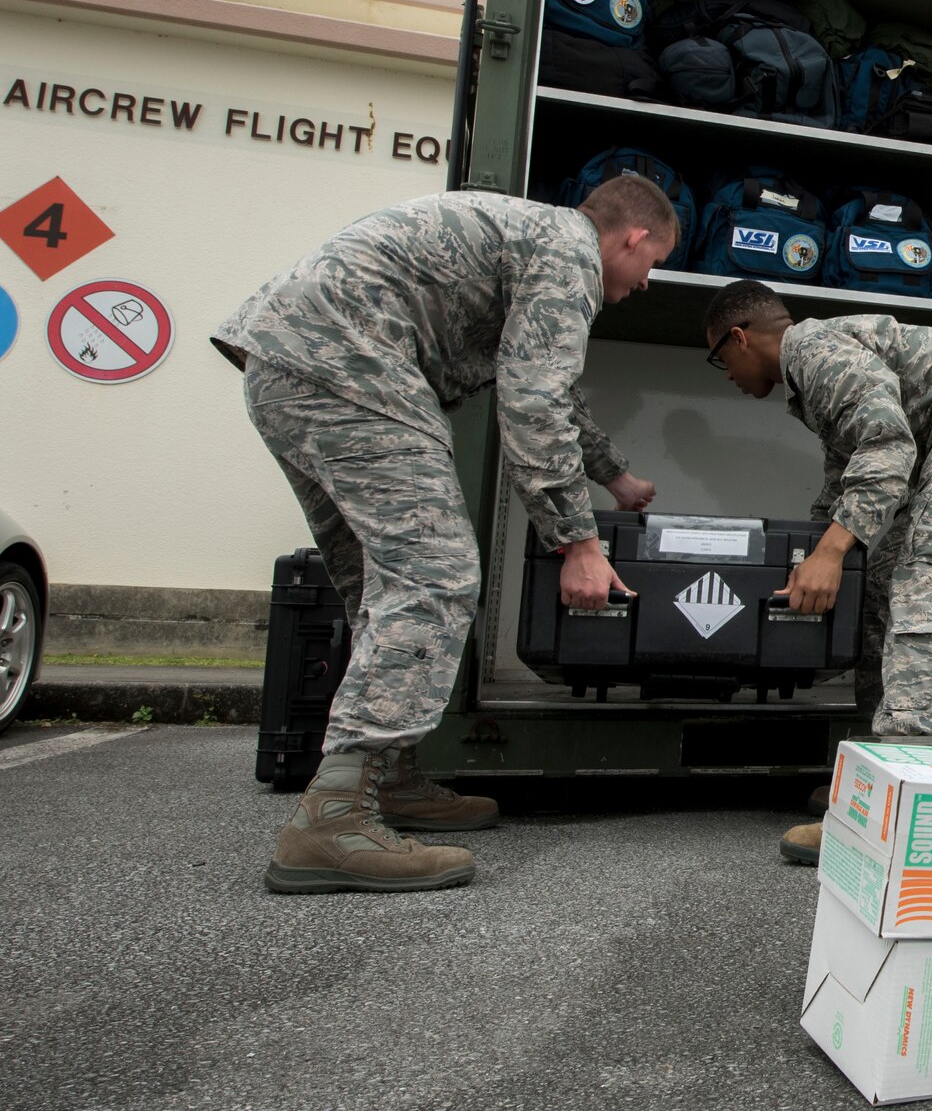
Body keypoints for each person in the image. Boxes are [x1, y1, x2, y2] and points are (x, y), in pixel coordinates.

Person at [213, 181, 678, 893]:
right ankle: (334, 816)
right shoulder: (569, 251)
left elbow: (542, 380)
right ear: (633, 238)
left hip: (286, 365)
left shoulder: (532, 238)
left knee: (382, 584)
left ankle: (385, 777)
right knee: (436, 575)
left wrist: (612, 476)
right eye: (651, 266)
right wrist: (577, 540)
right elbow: (535, 397)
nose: (645, 284)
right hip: (349, 366)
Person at [702, 280, 932, 865]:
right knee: (876, 583)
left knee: (928, 577)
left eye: (721, 358)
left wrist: (829, 553)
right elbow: (846, 472)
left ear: (740, 338)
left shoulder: (816, 351)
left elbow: (888, 446)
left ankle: (906, 798)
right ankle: (875, 771)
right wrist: (820, 549)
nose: (726, 374)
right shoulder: (811, 374)